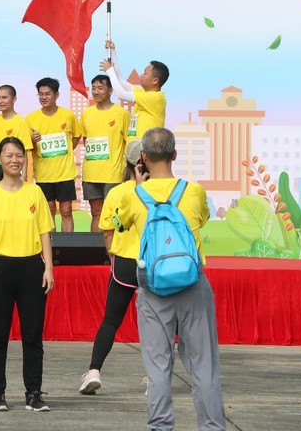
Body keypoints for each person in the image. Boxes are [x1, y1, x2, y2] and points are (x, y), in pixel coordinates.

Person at [114, 128, 226, 431]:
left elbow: (119, 224)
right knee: (204, 366)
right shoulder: (194, 191)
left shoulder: (133, 195)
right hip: (192, 285)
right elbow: (202, 218)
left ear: (143, 157)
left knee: (158, 368)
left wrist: (139, 187)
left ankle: (160, 426)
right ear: (175, 154)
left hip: (153, 289)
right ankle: (212, 427)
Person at [0, 136, 55, 413]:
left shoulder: (35, 193)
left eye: (19, 155)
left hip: (31, 269)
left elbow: (45, 232)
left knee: (32, 336)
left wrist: (49, 268)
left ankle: (34, 394)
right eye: (9, 155)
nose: (15, 160)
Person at [79, 140, 144, 395]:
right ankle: (155, 377)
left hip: (124, 263)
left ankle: (94, 371)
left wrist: (112, 258)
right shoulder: (161, 190)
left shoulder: (117, 193)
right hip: (155, 264)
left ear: (127, 163)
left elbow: (107, 231)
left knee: (110, 321)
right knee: (159, 324)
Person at [26, 78, 82, 233]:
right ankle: (50, 245)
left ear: (56, 95)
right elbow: (28, 147)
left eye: (48, 94)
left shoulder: (68, 115)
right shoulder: (31, 118)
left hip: (65, 174)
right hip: (44, 175)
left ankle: (67, 245)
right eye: (41, 94)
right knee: (48, 212)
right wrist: (33, 141)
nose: (44, 97)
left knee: (66, 211)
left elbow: (76, 135)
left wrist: (67, 150)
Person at [80, 74, 130, 232]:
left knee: (113, 214)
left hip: (113, 173)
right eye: (93, 88)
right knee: (96, 212)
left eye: (100, 88)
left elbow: (128, 142)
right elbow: (86, 139)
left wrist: (127, 170)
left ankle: (114, 247)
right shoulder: (86, 113)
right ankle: (96, 247)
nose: (96, 92)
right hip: (91, 173)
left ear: (110, 90)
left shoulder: (122, 114)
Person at [101, 40, 169, 142]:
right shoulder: (143, 92)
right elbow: (121, 82)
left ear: (155, 80)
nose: (141, 75)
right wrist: (112, 51)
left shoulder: (157, 98)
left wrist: (110, 72)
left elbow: (121, 94)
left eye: (145, 73)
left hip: (147, 148)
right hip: (134, 148)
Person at [0, 85, 32, 186]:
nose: (0, 101)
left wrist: (24, 175)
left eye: (4, 97)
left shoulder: (20, 122)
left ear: (14, 99)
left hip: (11, 170)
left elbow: (24, 151)